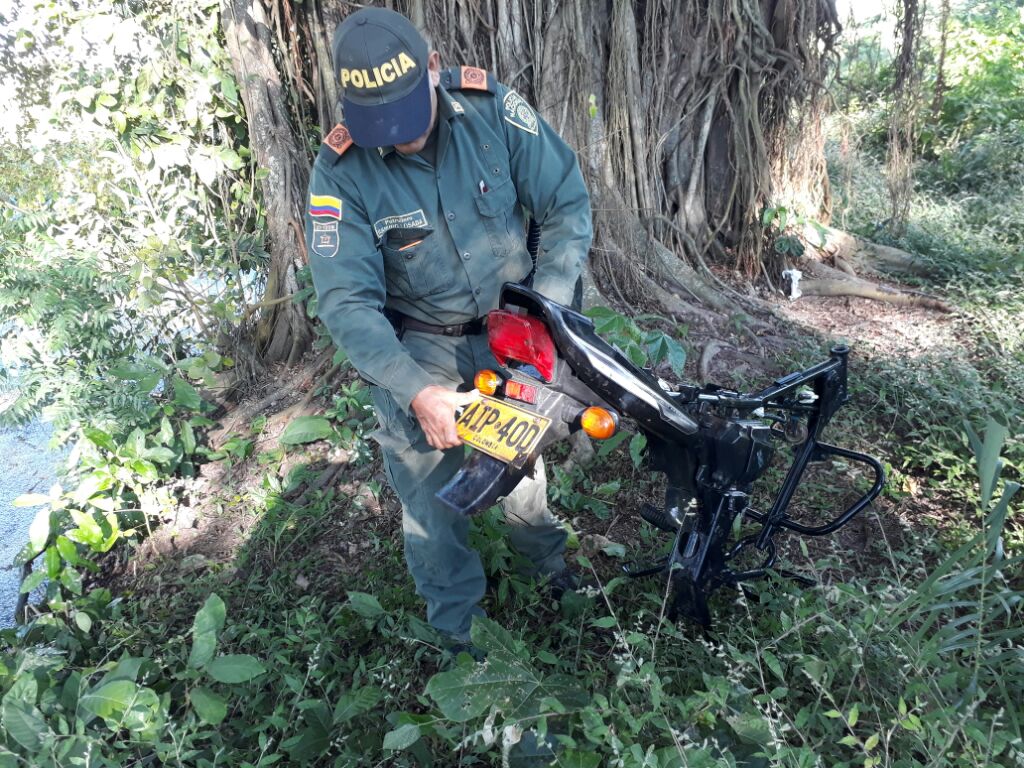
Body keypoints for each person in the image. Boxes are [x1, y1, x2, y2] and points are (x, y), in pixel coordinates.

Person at [305, 7, 593, 647]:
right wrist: (415, 389)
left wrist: (543, 314)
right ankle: (462, 638)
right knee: (432, 498)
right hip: (422, 344)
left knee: (521, 459)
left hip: (511, 328)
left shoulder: (491, 110)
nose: (401, 140)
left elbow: (566, 204)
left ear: (432, 68)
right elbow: (347, 301)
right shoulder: (340, 171)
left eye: (408, 119)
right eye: (383, 128)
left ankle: (546, 568)